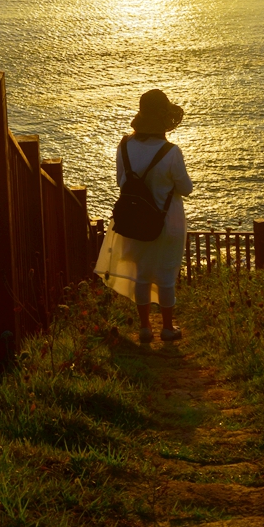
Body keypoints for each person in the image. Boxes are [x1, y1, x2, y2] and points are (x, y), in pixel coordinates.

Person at [94, 89, 193, 342]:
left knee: (141, 274)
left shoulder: (124, 146)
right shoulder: (171, 152)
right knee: (166, 275)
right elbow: (186, 189)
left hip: (133, 220)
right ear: (163, 121)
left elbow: (121, 182)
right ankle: (168, 328)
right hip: (166, 221)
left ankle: (145, 327)